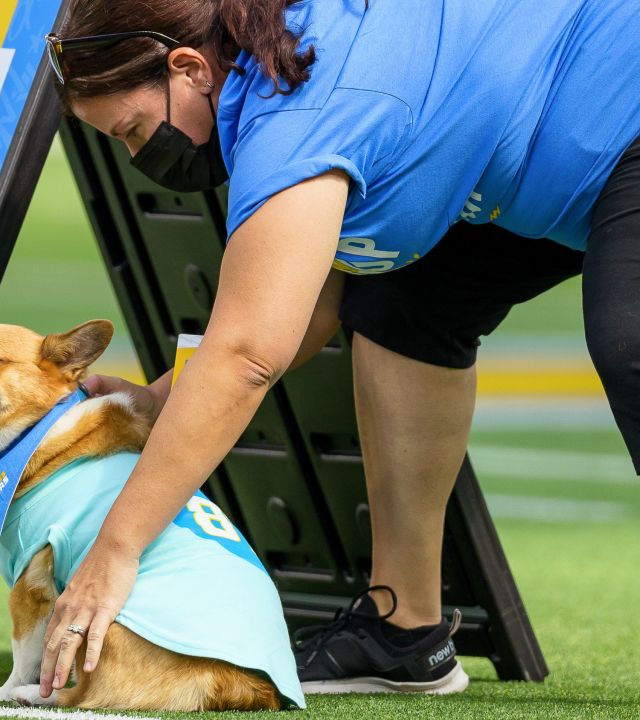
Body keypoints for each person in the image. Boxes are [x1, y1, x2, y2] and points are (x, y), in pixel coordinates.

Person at [37, 0, 640, 697]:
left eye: (135, 129)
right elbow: (303, 308)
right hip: (551, 146)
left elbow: (246, 356)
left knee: (631, 340)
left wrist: (115, 552)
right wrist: (154, 402)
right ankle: (404, 632)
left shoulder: (301, 111)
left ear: (189, 67)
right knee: (402, 304)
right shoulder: (276, 70)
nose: (139, 155)